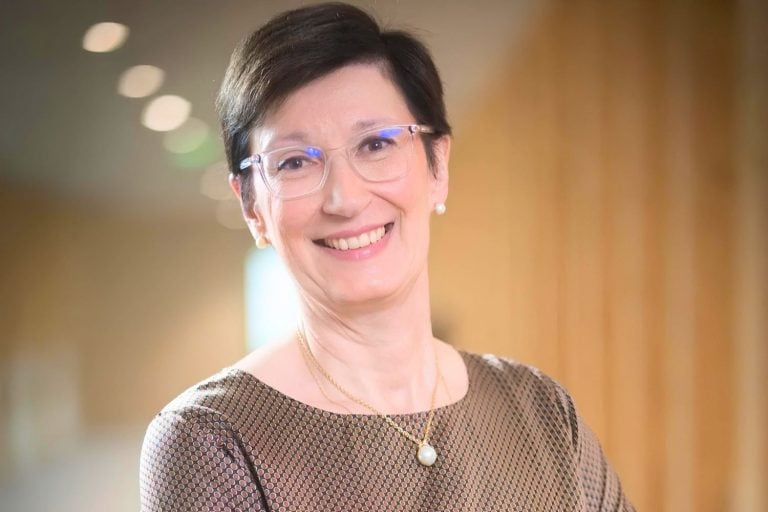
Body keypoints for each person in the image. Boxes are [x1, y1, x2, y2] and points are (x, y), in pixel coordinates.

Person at [139, 3, 634, 510]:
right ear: (251, 207)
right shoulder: (209, 441)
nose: (345, 199)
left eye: (375, 144)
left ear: (438, 166)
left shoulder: (544, 412)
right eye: (294, 162)